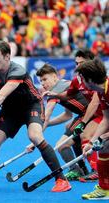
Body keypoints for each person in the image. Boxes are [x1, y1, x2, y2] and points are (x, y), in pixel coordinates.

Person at [0, 40, 71, 192]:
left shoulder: (17, 70)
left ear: (7, 57)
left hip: (31, 106)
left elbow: (1, 95)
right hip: (10, 111)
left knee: (35, 136)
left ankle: (61, 180)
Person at [42, 49, 100, 182]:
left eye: (82, 63)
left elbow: (95, 102)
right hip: (88, 114)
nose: (78, 66)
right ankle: (83, 169)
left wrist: (83, 122)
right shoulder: (76, 80)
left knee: (82, 136)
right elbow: (67, 110)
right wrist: (55, 95)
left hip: (97, 113)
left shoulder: (97, 78)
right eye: (76, 63)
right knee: (69, 136)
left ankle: (94, 169)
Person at [36, 64, 90, 181]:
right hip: (84, 114)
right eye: (40, 81)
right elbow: (67, 115)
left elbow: (47, 113)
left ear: (55, 77)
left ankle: (76, 170)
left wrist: (37, 135)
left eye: (45, 79)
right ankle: (81, 169)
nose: (43, 84)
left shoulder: (56, 90)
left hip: (89, 115)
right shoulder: (62, 85)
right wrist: (47, 124)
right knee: (70, 131)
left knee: (62, 145)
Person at [76, 58, 109, 200]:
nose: (81, 82)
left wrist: (103, 137)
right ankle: (104, 189)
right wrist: (92, 141)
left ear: (90, 79)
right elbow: (107, 119)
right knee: (103, 148)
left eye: (82, 78)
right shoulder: (102, 91)